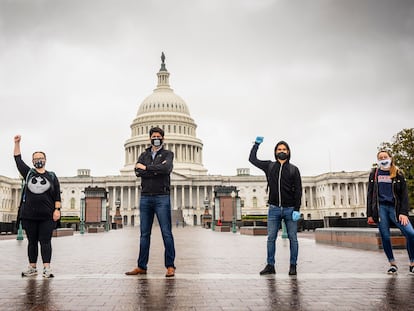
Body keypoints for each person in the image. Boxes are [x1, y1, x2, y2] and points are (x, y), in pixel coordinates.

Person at [125, 127, 176, 277]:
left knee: (166, 233)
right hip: (146, 197)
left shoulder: (168, 154)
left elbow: (166, 169)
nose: (156, 138)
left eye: (158, 136)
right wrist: (155, 170)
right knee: (144, 234)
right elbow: (137, 171)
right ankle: (141, 266)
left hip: (162, 197)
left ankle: (170, 266)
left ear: (163, 138)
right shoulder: (144, 154)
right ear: (150, 138)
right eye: (153, 136)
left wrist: (147, 169)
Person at [249, 136, 302, 275]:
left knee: (293, 239)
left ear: (289, 152)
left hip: (290, 209)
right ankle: (270, 265)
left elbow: (298, 190)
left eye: (284, 149)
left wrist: (297, 209)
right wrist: (256, 145)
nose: (282, 151)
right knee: (271, 238)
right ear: (275, 151)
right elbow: (252, 160)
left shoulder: (293, 170)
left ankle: (293, 266)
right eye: (279, 149)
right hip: (274, 209)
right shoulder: (269, 166)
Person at [13, 135, 61, 278]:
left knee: (45, 242)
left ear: (45, 160)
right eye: (35, 159)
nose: (38, 161)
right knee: (32, 242)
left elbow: (57, 195)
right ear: (33, 161)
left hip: (47, 216)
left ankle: (47, 268)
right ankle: (32, 267)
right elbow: (18, 160)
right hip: (29, 215)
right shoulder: (28, 173)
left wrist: (57, 210)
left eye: (40, 158)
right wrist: (17, 143)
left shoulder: (52, 176)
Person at [367, 150, 414, 275]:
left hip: (396, 209)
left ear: (390, 158)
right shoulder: (374, 174)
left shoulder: (398, 173)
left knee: (410, 233)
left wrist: (404, 212)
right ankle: (392, 264)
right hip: (381, 208)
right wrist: (370, 214)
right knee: (385, 237)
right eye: (380, 157)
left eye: (385, 157)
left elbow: (404, 196)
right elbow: (370, 195)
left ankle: (412, 262)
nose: (383, 159)